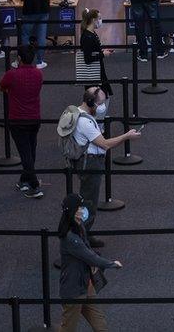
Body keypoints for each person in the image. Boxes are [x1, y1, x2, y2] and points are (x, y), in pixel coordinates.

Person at [64, 87, 140, 246]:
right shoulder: (84, 122)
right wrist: (127, 136)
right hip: (90, 163)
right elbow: (105, 144)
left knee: (88, 199)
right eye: (100, 103)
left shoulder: (77, 112)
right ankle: (82, 238)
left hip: (88, 161)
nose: (103, 106)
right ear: (91, 102)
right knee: (88, 202)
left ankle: (85, 234)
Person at [56, 193, 122, 332]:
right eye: (80, 207)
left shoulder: (79, 227)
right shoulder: (70, 237)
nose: (83, 209)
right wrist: (111, 264)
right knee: (68, 328)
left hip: (87, 285)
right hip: (74, 290)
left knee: (100, 325)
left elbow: (88, 251)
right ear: (74, 211)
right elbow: (89, 256)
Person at [0, 46, 45, 198]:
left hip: (17, 119)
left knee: (25, 153)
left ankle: (34, 186)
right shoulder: (39, 74)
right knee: (31, 150)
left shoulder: (12, 75)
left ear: (18, 58)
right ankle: (24, 180)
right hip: (34, 118)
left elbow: (1, 86)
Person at [77, 9, 113, 115]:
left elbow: (92, 51)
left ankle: (98, 124)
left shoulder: (91, 33)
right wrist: (103, 54)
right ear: (93, 20)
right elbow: (88, 58)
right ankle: (99, 125)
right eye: (99, 18)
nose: (101, 20)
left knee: (103, 97)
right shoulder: (88, 37)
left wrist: (101, 52)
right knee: (100, 99)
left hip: (97, 71)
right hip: (94, 74)